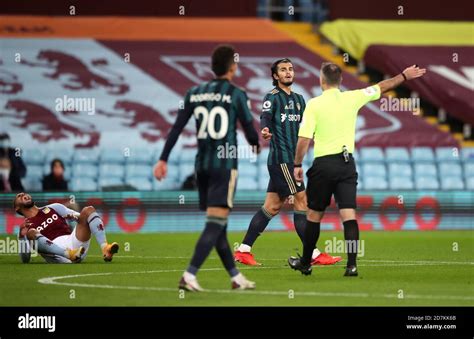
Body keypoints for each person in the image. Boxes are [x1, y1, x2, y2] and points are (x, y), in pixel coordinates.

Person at [288, 63, 426, 277]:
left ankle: (306, 263)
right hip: (346, 164)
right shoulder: (353, 97)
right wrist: (403, 76)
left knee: (314, 215)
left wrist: (297, 164)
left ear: (321, 81)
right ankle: (351, 266)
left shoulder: (314, 104)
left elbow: (304, 139)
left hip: (323, 165)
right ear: (340, 81)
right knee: (348, 214)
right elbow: (383, 86)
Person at [154, 44, 260, 291]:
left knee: (218, 223)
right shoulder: (236, 94)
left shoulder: (194, 93)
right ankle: (189, 275)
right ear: (233, 67)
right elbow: (249, 129)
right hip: (224, 166)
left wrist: (163, 159)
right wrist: (256, 145)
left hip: (201, 167)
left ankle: (235, 277)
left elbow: (176, 128)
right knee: (216, 222)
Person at [234, 58, 341, 266]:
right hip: (282, 160)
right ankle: (314, 254)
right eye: (283, 70)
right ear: (275, 76)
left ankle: (244, 250)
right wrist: (265, 129)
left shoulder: (301, 100)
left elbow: (309, 125)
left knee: (272, 207)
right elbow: (265, 117)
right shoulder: (272, 97)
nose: (288, 72)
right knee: (302, 201)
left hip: (289, 162)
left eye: (290, 69)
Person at [14, 192, 119, 263]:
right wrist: (22, 236)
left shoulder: (53, 207)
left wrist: (75, 218)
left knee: (88, 210)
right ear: (17, 208)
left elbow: (81, 217)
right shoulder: (25, 228)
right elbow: (25, 259)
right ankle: (69, 254)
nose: (24, 194)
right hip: (59, 256)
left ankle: (105, 248)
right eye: (19, 196)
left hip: (75, 243)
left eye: (24, 194)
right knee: (31, 232)